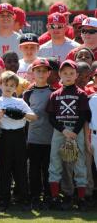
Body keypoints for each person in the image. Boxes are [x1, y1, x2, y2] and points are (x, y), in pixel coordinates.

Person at [47, 60, 91, 211]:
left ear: (76, 75)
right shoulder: (55, 95)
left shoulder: (81, 94)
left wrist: (73, 132)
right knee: (55, 163)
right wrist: (64, 130)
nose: (68, 76)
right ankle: (54, 197)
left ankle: (81, 198)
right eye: (64, 73)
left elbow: (84, 115)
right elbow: (51, 117)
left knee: (79, 164)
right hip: (60, 131)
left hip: (75, 131)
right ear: (59, 74)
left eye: (71, 73)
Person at [0, 71, 37, 211]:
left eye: (12, 85)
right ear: (0, 85)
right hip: (5, 136)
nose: (8, 87)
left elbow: (34, 117)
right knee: (5, 169)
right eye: (6, 84)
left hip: (19, 136)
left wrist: (23, 114)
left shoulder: (19, 101)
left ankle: (24, 198)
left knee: (20, 168)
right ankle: (4, 200)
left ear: (16, 87)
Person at [23, 58, 54, 210]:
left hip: (50, 138)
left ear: (49, 73)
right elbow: (24, 116)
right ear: (32, 72)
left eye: (44, 70)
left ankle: (49, 196)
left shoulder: (54, 93)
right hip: (33, 138)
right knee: (33, 169)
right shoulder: (27, 93)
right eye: (38, 70)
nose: (41, 73)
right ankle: (35, 196)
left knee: (48, 168)